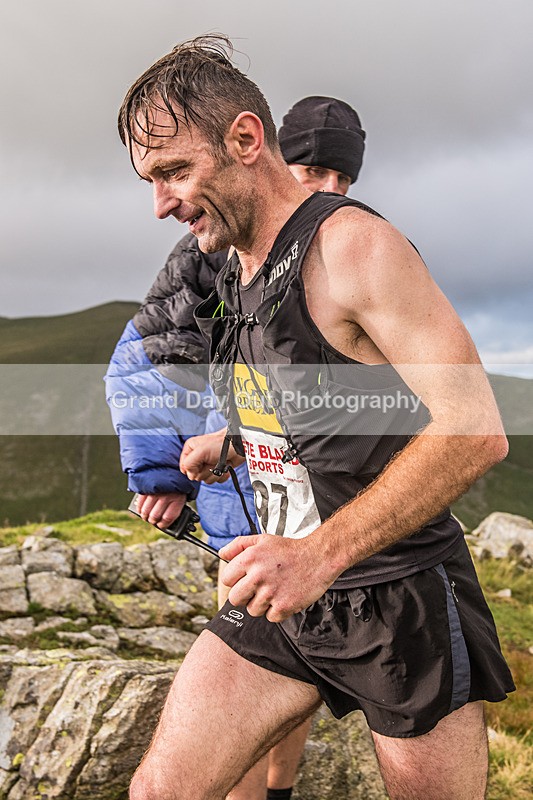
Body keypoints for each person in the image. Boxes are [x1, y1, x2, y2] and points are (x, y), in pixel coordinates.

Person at [117, 35, 514, 800]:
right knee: (161, 790)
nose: (161, 202)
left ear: (244, 139)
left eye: (173, 171)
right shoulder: (237, 261)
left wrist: (317, 557)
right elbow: (325, 394)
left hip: (400, 603)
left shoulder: (354, 248)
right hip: (284, 595)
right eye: (150, 180)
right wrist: (233, 442)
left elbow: (473, 426)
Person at [106, 93, 366, 800]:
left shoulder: (347, 253)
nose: (327, 192)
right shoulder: (210, 250)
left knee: (298, 680)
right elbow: (142, 355)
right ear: (273, 157)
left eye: (341, 180)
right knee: (248, 673)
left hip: (312, 518)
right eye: (312, 172)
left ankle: (280, 792)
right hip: (235, 511)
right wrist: (161, 471)